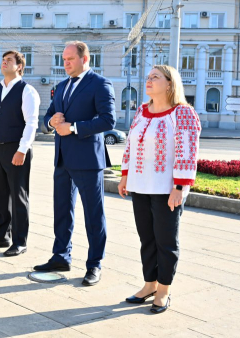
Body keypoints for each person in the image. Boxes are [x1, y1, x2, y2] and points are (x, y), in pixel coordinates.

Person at [118, 65, 201, 314]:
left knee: (166, 241)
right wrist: (124, 176)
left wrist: (179, 187)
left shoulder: (183, 113)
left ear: (170, 83)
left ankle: (163, 290)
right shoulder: (142, 111)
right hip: (140, 186)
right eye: (148, 77)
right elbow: (130, 146)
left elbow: (188, 152)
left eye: (155, 77)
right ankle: (149, 285)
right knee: (147, 239)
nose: (149, 80)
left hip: (167, 189)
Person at [36, 41, 116, 286]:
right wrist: (52, 122)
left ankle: (94, 265)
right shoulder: (61, 86)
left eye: (70, 58)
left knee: (93, 215)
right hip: (62, 160)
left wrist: (72, 127)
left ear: (85, 58)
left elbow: (108, 120)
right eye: (63, 59)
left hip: (88, 160)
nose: (66, 63)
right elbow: (47, 118)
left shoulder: (100, 84)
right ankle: (61, 256)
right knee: (62, 211)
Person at [0, 51, 40, 256]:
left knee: (19, 196)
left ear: (19, 66)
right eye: (3, 60)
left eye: (9, 61)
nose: (4, 63)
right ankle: (1, 237)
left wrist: (22, 150)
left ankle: (20, 241)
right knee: (1, 195)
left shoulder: (27, 91)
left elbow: (32, 123)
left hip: (16, 149)